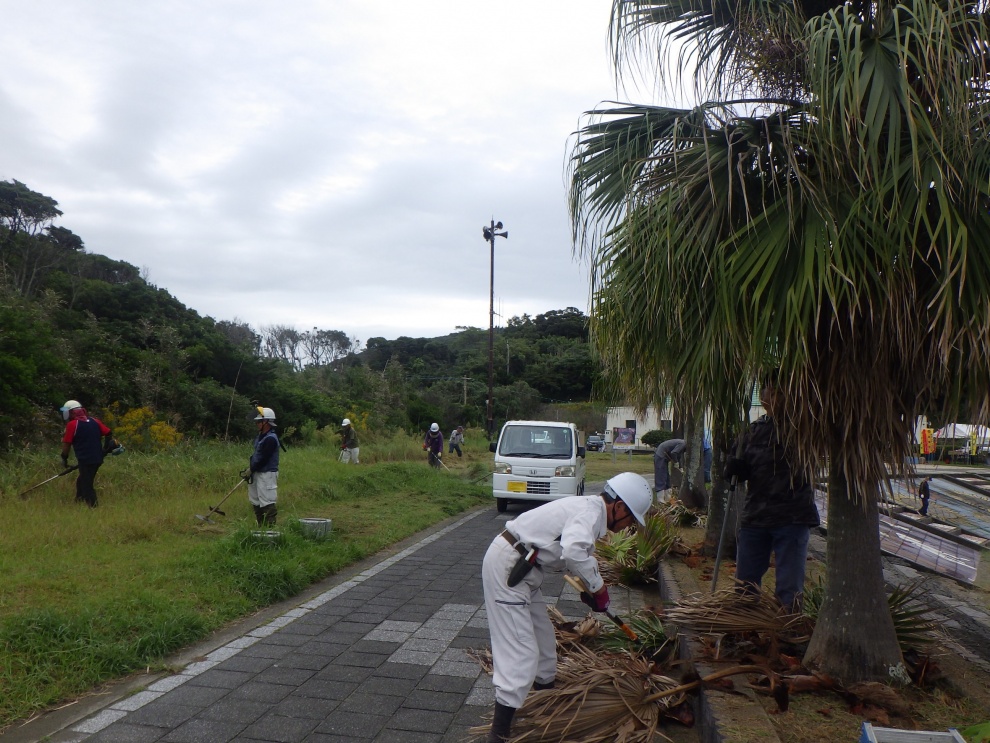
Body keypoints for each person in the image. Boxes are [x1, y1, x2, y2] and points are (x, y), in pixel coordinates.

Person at [481, 472, 654, 743]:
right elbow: (573, 551)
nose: (629, 525)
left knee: (545, 645)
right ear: (618, 507)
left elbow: (577, 552)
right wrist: (598, 589)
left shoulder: (590, 511)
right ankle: (497, 735)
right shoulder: (590, 512)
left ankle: (546, 710)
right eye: (631, 518)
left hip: (523, 571)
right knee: (522, 654)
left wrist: (591, 591)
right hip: (508, 568)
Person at [724, 380, 820, 610]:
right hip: (756, 517)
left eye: (780, 393)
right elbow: (734, 471)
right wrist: (734, 469)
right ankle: (745, 627)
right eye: (770, 394)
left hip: (792, 517)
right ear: (763, 399)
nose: (775, 399)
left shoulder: (805, 429)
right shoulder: (752, 431)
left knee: (789, 586)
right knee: (745, 582)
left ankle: (788, 629)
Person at [59, 400, 115, 508]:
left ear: (71, 412)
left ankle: (94, 508)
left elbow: (67, 444)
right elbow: (108, 433)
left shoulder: (72, 425)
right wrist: (105, 449)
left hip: (85, 459)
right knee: (82, 480)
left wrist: (64, 458)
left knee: (86, 485)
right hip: (98, 458)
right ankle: (78, 502)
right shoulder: (95, 421)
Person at [242, 406, 280, 526]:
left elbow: (264, 459)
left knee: (267, 500)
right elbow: (257, 456)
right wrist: (251, 470)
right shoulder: (260, 437)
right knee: (255, 500)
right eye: (256, 422)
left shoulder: (271, 439)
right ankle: (261, 527)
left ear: (266, 422)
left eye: (259, 422)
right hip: (257, 472)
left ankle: (270, 530)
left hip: (267, 473)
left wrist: (251, 469)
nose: (257, 424)